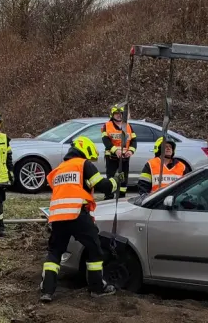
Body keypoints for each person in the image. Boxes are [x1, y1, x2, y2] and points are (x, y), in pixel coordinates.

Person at [40, 135, 118, 303]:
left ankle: (47, 290)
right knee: (95, 248)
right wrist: (115, 181)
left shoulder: (60, 168)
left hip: (58, 217)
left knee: (55, 252)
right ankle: (97, 288)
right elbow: (102, 186)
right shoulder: (83, 164)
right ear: (85, 150)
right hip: (77, 214)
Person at [102, 105, 137, 194]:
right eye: (116, 114)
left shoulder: (128, 126)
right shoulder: (107, 125)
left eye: (120, 113)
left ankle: (122, 195)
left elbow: (134, 140)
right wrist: (115, 150)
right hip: (111, 157)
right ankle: (108, 195)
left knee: (124, 178)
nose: (119, 115)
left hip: (125, 157)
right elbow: (105, 140)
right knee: (110, 177)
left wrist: (131, 151)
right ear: (112, 115)